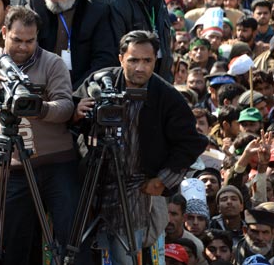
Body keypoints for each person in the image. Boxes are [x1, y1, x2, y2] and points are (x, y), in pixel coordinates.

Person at [74, 30, 207, 264]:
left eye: (147, 61)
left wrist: (164, 179)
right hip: (90, 181)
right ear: (120, 58)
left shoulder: (166, 95)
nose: (140, 67)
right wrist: (76, 111)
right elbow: (69, 117)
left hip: (135, 188)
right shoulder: (98, 81)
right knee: (79, 251)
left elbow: (191, 142)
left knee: (125, 256)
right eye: (133, 60)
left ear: (155, 61)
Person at [0, 6, 78, 263]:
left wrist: (39, 108)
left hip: (58, 164)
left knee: (69, 241)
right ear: (4, 33)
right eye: (17, 40)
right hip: (16, 168)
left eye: (30, 41)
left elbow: (66, 107)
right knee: (13, 242)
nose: (23, 47)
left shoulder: (52, 62)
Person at [26, 0, 116, 89]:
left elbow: (104, 59)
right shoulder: (35, 3)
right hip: (38, 84)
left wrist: (78, 91)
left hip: (79, 86)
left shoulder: (96, 11)